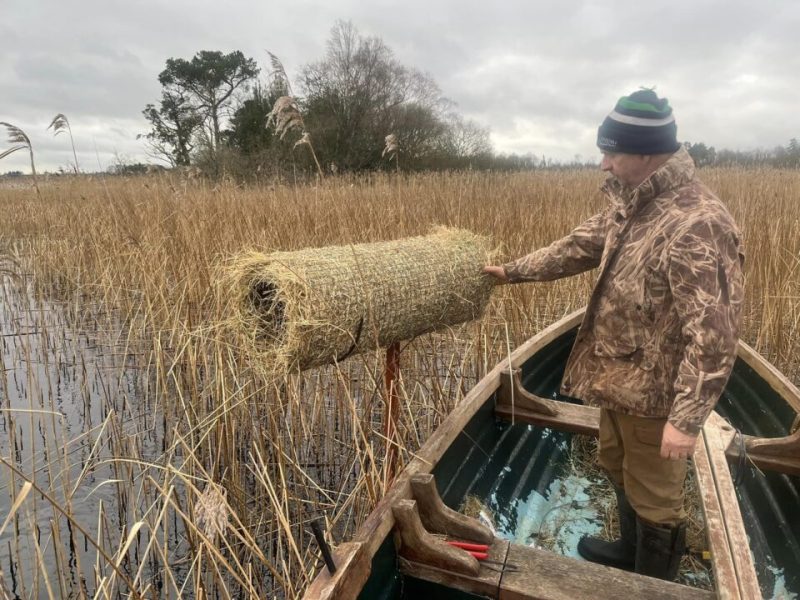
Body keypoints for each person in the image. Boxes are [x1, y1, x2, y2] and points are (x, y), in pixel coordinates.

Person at [483, 89, 744, 581]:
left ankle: (652, 586)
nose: (602, 163)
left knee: (656, 496)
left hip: (655, 397)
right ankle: (629, 551)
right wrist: (513, 271)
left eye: (612, 151)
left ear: (647, 152)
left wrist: (686, 421)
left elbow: (715, 336)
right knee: (616, 462)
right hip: (616, 378)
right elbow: (578, 246)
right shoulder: (636, 203)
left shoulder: (697, 222)